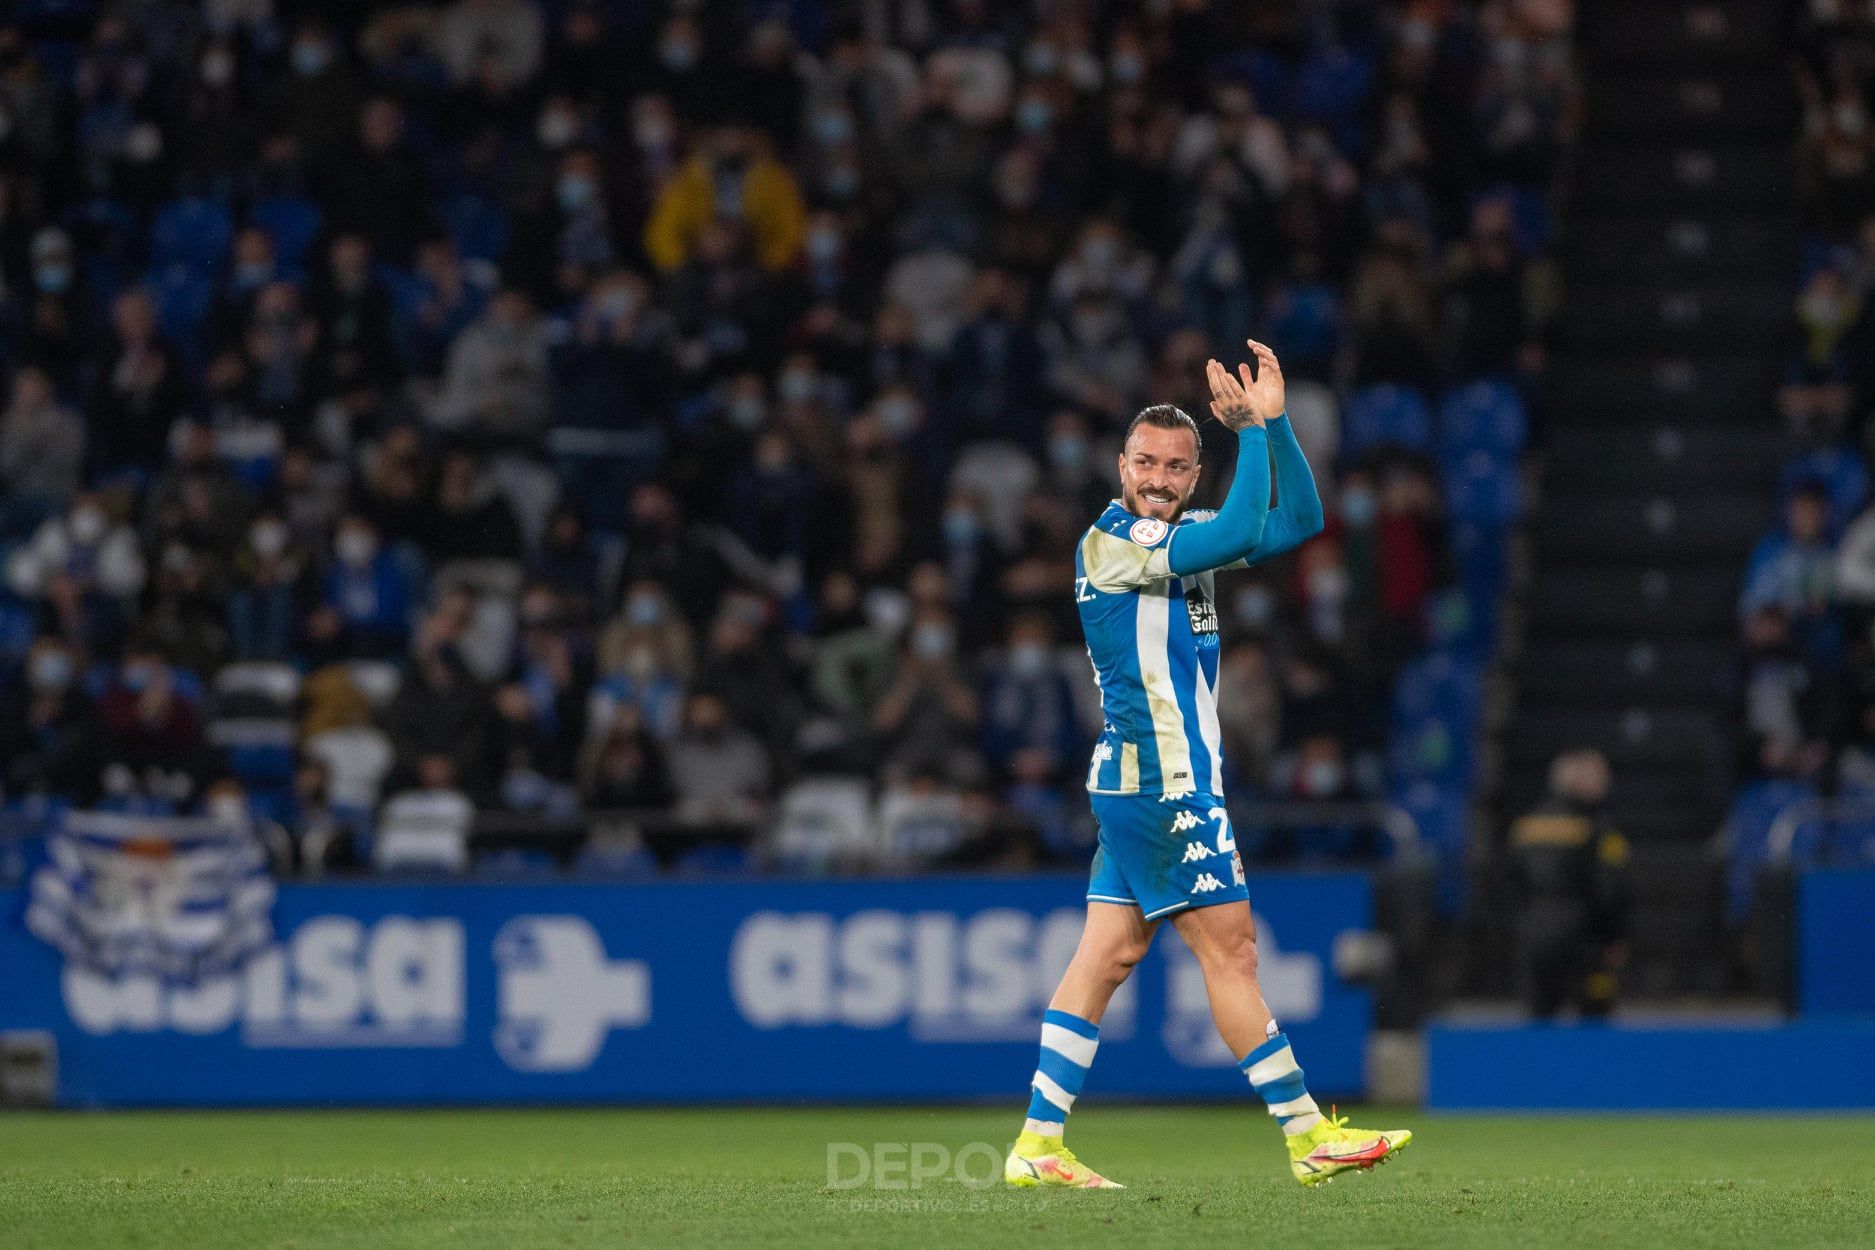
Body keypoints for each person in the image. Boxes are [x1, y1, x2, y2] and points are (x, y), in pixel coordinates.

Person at [1005, 340, 1411, 1190]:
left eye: (1177, 467)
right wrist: (1251, 432)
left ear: (1193, 475)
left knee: (1105, 956)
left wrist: (1276, 425)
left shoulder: (1179, 537)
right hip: (1162, 783)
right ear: (1120, 465)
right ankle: (1306, 1136)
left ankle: (1037, 1146)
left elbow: (1295, 522)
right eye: (1145, 461)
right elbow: (1236, 525)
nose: (1158, 477)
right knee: (1231, 952)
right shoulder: (1113, 543)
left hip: (1140, 783)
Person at [1507, 749, 1630, 1021]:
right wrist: (1614, 937)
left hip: (1536, 934)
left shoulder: (1526, 825)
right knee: (1593, 1021)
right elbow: (1609, 890)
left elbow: (1510, 884)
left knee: (1540, 1020)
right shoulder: (1597, 829)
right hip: (1584, 937)